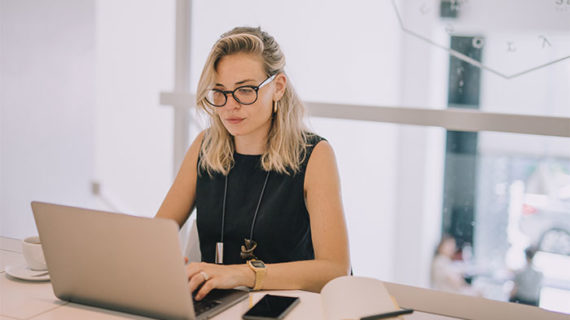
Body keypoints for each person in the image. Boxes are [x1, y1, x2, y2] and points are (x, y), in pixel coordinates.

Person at [155, 26, 350, 300]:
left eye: (245, 90)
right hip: (217, 304)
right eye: (219, 92)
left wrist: (241, 273)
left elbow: (335, 270)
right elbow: (154, 237)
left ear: (278, 87)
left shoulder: (315, 155)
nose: (229, 106)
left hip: (289, 308)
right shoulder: (204, 146)